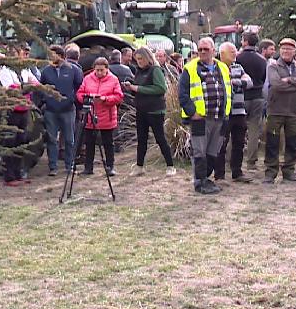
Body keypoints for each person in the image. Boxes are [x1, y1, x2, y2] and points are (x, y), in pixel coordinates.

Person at [178, 37, 233, 194]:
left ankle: (206, 179)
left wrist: (226, 113)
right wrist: (192, 112)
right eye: (199, 50)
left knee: (212, 151)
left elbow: (229, 90)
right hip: (200, 118)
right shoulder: (190, 68)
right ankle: (200, 182)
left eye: (205, 49)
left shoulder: (222, 67)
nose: (202, 52)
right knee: (200, 152)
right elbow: (182, 94)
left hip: (219, 117)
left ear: (213, 51)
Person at [262, 38, 296, 184]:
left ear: (294, 51)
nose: (286, 52)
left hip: (294, 111)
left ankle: (289, 171)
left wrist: (289, 80)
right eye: (283, 49)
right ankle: (270, 172)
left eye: (289, 49)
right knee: (272, 143)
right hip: (276, 110)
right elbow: (276, 84)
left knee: (292, 143)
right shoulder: (273, 66)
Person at [124, 46, 176, 176]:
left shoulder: (155, 70)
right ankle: (139, 166)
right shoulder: (138, 71)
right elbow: (138, 87)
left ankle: (170, 166)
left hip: (155, 110)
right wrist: (131, 87)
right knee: (142, 139)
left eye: (141, 59)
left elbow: (161, 88)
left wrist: (138, 89)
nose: (139, 61)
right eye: (137, 59)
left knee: (160, 138)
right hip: (141, 109)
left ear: (147, 58)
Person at [40, 45, 83, 177]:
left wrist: (72, 100)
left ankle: (69, 165)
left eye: (53, 56)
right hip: (51, 110)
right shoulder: (46, 71)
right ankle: (53, 167)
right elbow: (42, 87)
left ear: (62, 56)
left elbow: (79, 87)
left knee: (70, 139)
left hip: (68, 110)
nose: (50, 59)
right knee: (52, 139)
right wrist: (45, 101)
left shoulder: (73, 70)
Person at [76, 57, 123, 177]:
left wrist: (105, 99)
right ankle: (88, 167)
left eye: (102, 70)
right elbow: (80, 93)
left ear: (107, 69)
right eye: (97, 70)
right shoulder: (88, 78)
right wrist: (87, 99)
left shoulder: (113, 80)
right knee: (89, 143)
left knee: (108, 143)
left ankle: (110, 167)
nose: (99, 73)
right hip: (90, 116)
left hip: (106, 116)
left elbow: (118, 96)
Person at [213, 42, 253, 182]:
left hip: (239, 111)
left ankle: (237, 172)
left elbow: (249, 82)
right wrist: (238, 82)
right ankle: (220, 175)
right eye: (231, 51)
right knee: (221, 144)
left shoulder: (238, 67)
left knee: (239, 143)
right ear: (222, 53)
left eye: (235, 51)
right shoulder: (215, 67)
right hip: (224, 112)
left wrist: (234, 82)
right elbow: (220, 84)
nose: (235, 54)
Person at [0, 48, 37, 186]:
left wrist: (27, 85)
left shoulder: (25, 70)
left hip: (24, 109)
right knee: (10, 141)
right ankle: (9, 176)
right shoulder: (5, 70)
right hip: (12, 110)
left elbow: (35, 82)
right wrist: (25, 86)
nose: (27, 55)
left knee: (22, 140)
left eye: (27, 53)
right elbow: (10, 88)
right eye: (24, 53)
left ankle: (18, 173)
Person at [237, 31, 268, 173]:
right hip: (258, 96)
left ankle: (231, 159)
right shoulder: (262, 60)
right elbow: (263, 78)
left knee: (236, 128)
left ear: (245, 42)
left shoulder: (238, 58)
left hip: (241, 96)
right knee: (254, 130)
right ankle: (251, 162)